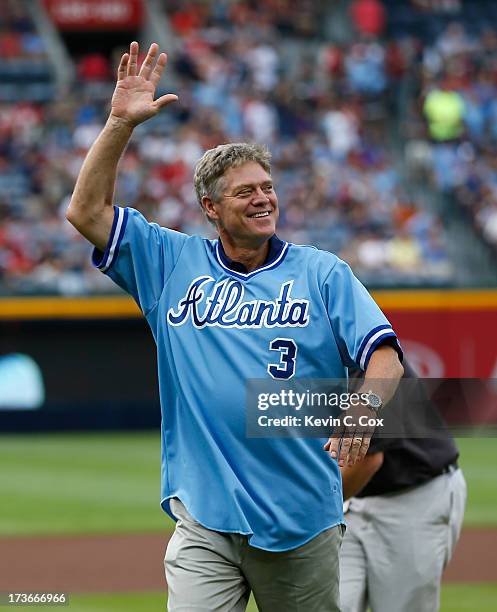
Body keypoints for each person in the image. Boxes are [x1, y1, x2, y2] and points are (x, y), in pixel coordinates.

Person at [66, 41, 404, 611]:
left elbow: (385, 357)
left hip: (301, 517)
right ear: (210, 207)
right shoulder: (170, 263)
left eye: (268, 187)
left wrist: (364, 409)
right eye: (245, 192)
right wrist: (121, 122)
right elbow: (86, 212)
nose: (263, 199)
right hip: (205, 517)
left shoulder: (323, 273)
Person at [340, 360, 467, 612]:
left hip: (414, 494)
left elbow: (368, 459)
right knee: (331, 604)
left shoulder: (361, 354)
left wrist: (309, 512)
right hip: (350, 499)